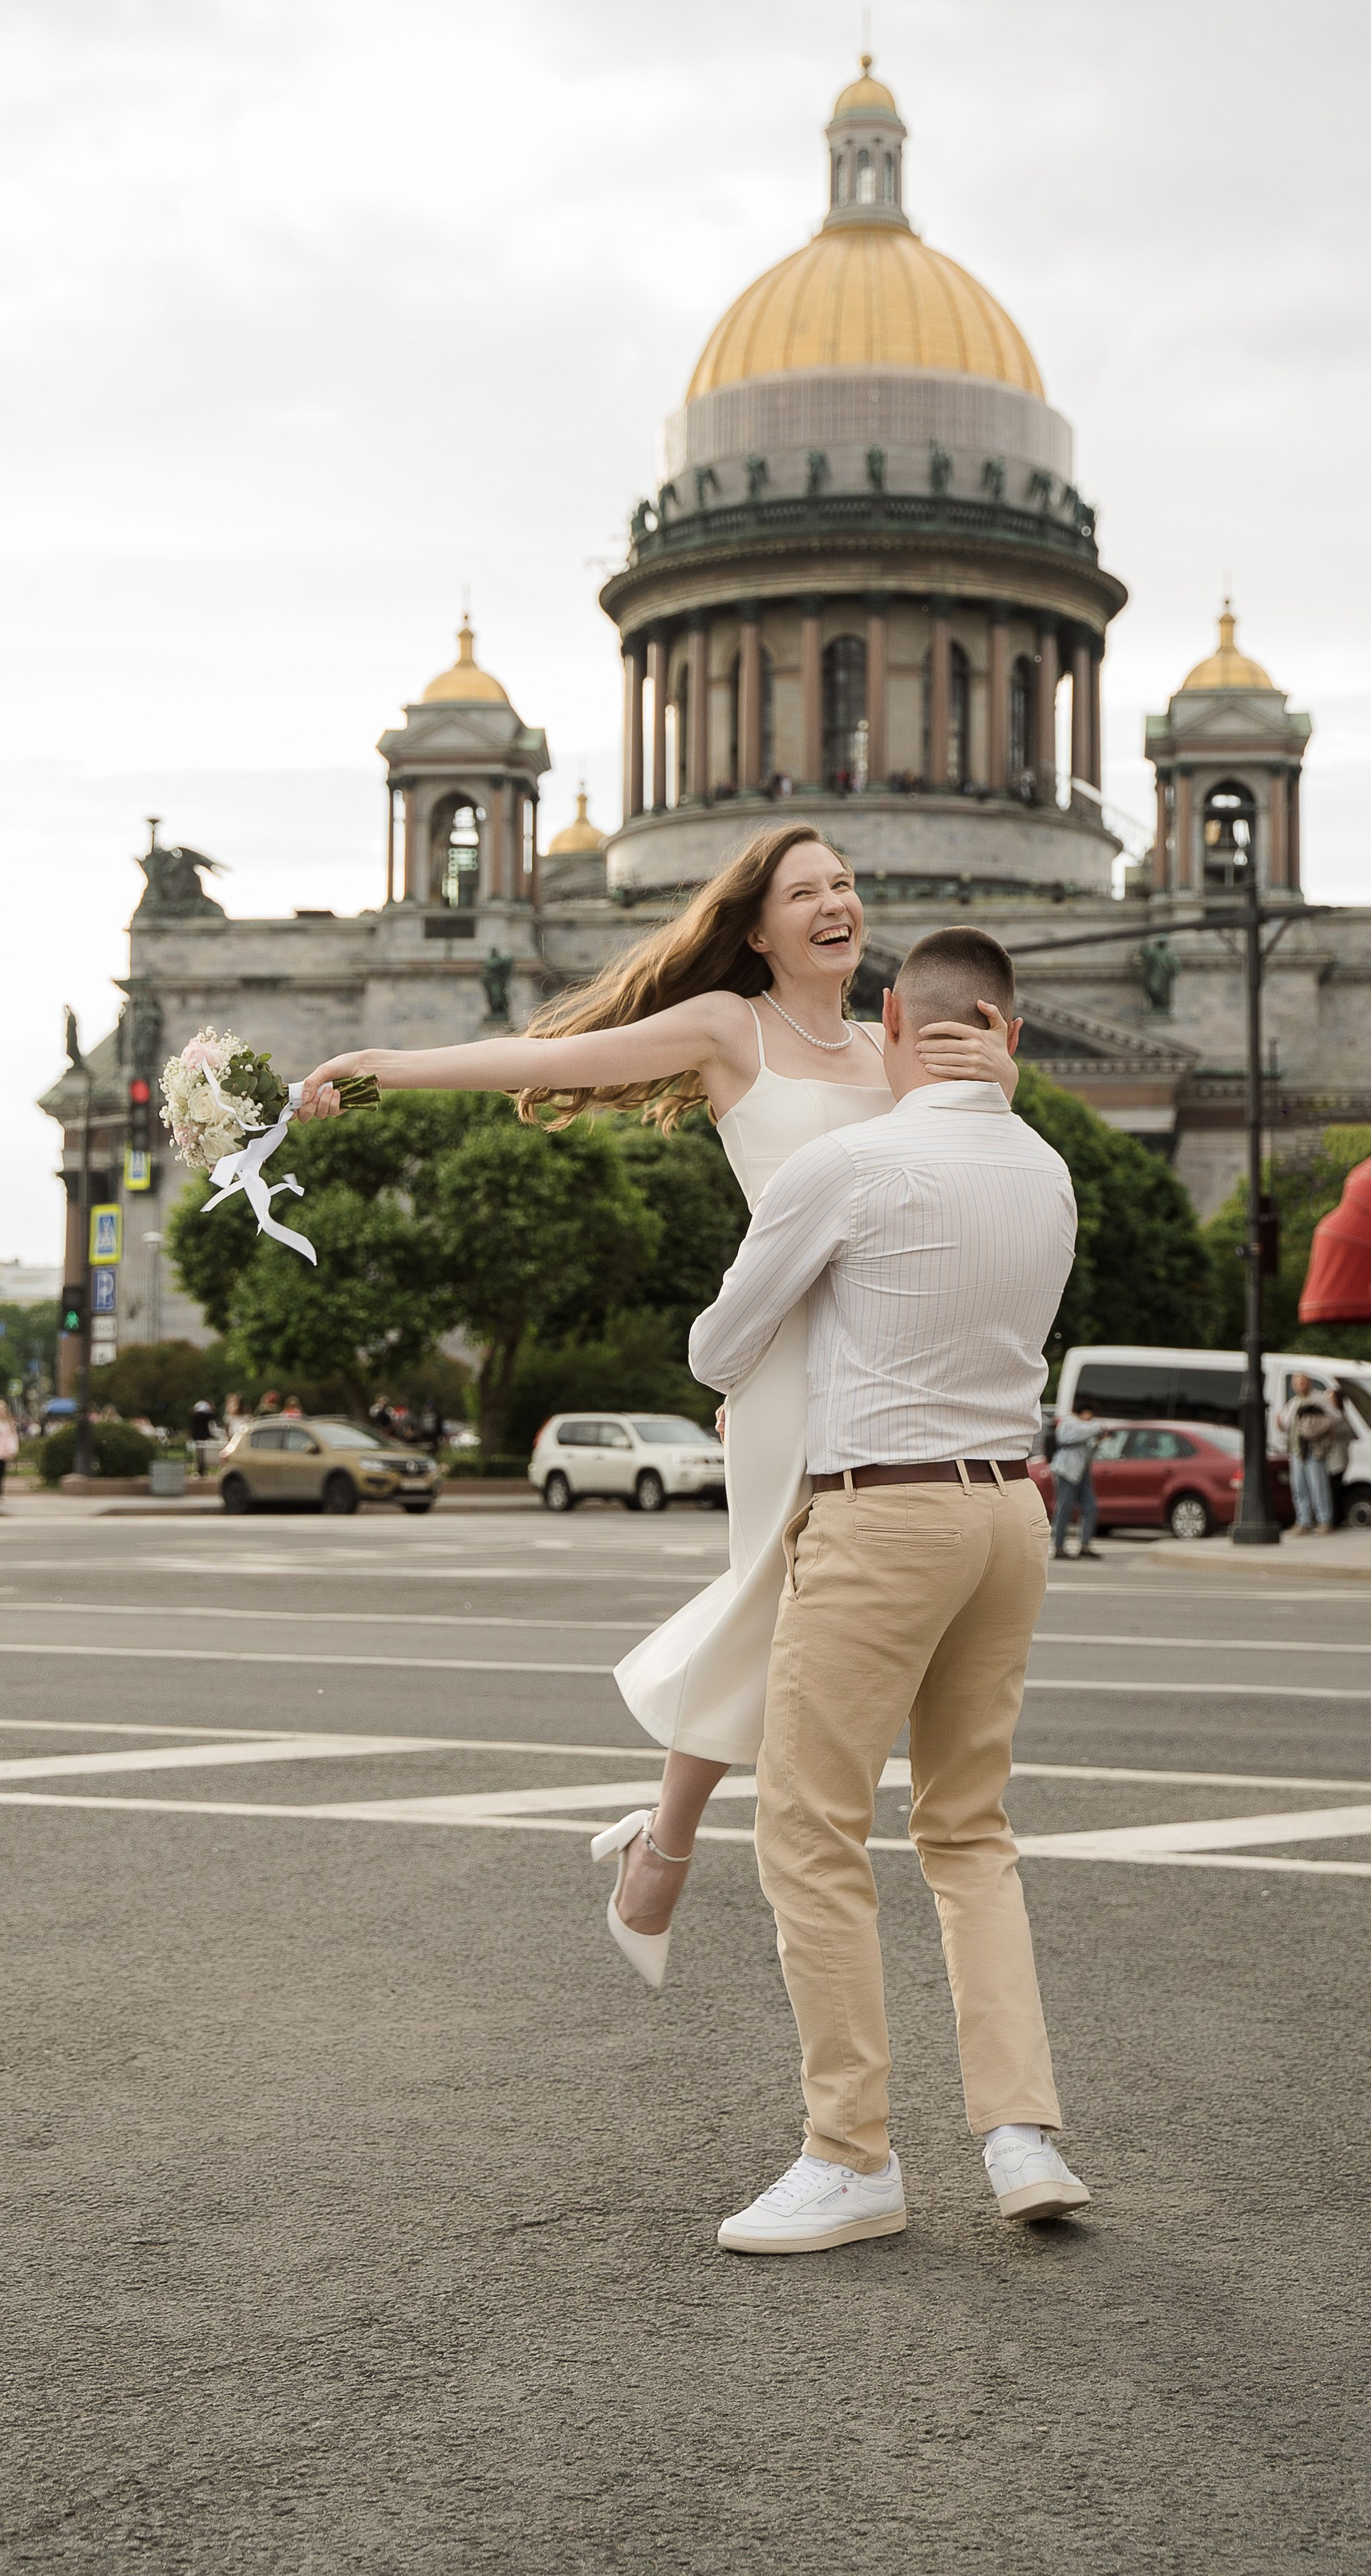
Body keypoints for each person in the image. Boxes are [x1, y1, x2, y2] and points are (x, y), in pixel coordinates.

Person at [297, 822, 1018, 1981]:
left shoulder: (894, 1044)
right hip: (787, 1372)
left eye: (845, 886)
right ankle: (679, 1846)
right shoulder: (730, 1028)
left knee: (778, 1611)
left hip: (883, 1376)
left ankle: (665, 1844)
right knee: (771, 1603)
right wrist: (364, 1076)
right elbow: (538, 1063)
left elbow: (965, 1191)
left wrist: (1007, 1083)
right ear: (755, 928)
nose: (836, 906)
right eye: (805, 894)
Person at [683, 925, 1086, 2254]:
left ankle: (851, 2155)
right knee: (968, 1833)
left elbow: (717, 1346)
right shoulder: (1050, 1172)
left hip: (885, 1515)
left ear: (893, 1029)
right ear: (1010, 1035)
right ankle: (1021, 2137)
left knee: (809, 1833)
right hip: (1009, 1516)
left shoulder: (847, 1162)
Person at [1284, 1372, 1349, 1536]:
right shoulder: (1293, 1403)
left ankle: (1324, 1520)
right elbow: (1286, 1424)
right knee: (1299, 1488)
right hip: (1296, 1450)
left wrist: (1318, 1428)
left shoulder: (1320, 1399)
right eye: (1299, 1383)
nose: (1302, 1385)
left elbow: (1336, 1417)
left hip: (1314, 1449)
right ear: (1294, 1385)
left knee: (1318, 1486)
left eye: (1304, 1382)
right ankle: (1303, 1521)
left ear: (1310, 1383)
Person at [1046, 1401, 1104, 1559]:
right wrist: (1096, 1427)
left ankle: (1085, 1544)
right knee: (1064, 1508)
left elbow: (1087, 1450)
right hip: (1066, 1471)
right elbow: (1066, 1438)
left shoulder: (1086, 1430)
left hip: (1082, 1472)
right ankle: (1058, 1547)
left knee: (1090, 1507)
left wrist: (1098, 1442)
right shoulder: (1070, 1423)